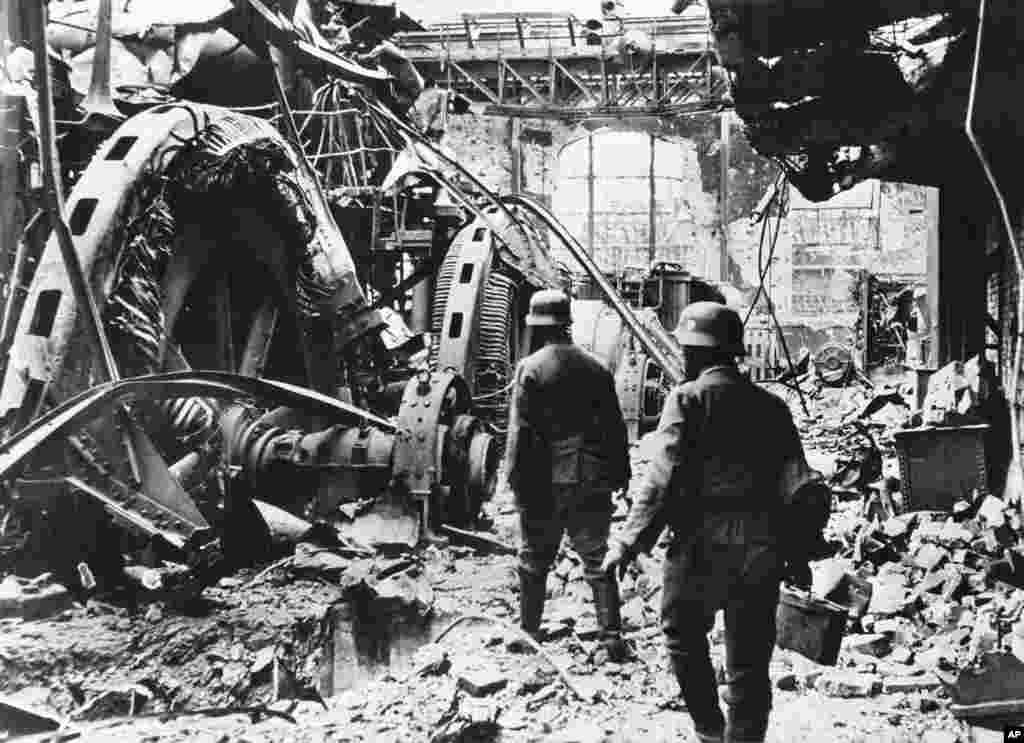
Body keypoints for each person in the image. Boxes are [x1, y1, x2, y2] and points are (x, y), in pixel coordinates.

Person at [601, 301, 827, 743]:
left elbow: (660, 482)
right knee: (748, 662)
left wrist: (627, 544)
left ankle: (709, 731)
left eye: (687, 349)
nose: (683, 356)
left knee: (683, 637)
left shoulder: (687, 400)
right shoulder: (772, 407)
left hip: (699, 547)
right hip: (761, 548)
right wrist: (796, 555)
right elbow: (798, 487)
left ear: (697, 354)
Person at [504, 289, 632, 660]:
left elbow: (521, 432)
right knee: (596, 559)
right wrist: (620, 475)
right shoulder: (597, 367)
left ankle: (529, 633)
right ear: (568, 324)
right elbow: (615, 428)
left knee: (533, 559)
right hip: (590, 478)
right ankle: (611, 638)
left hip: (542, 480)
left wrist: (513, 480)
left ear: (537, 327)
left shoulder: (530, 368)